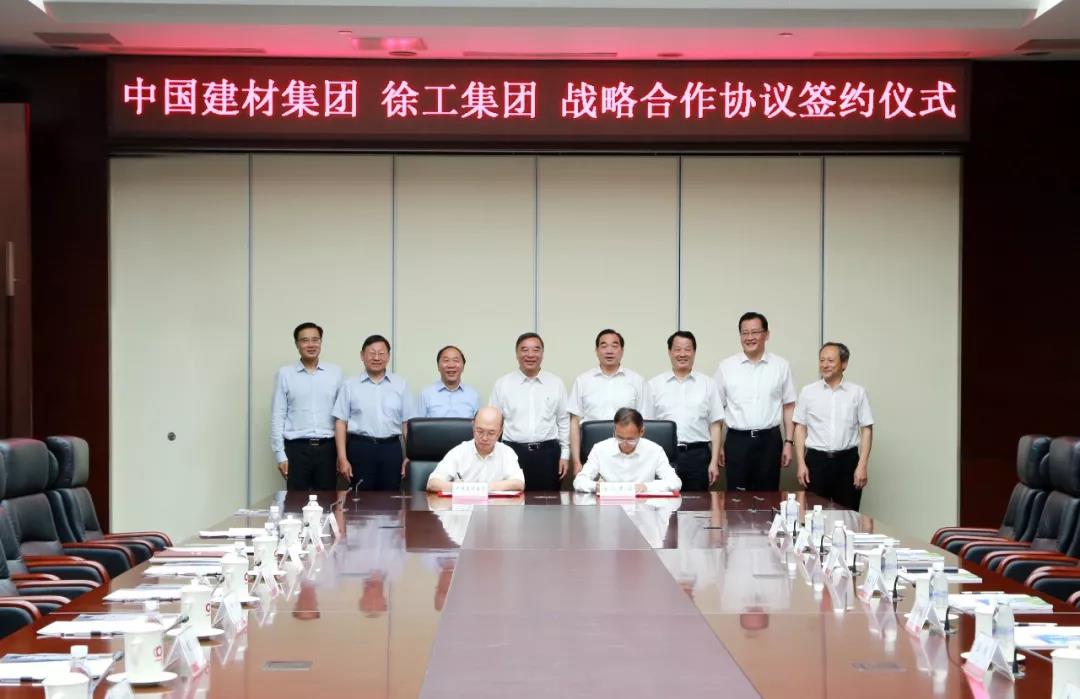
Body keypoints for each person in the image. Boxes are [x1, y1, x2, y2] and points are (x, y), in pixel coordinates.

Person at [714, 312, 797, 491]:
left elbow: (789, 406)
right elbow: (716, 410)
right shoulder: (726, 367)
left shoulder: (781, 366)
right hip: (736, 441)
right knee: (736, 499)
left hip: (769, 441)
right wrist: (718, 445)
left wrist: (788, 443)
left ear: (766, 335)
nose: (749, 337)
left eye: (755, 332)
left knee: (768, 497)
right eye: (745, 333)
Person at [794, 342, 875, 510]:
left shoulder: (857, 392)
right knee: (813, 515)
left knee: (848, 515)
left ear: (844, 364)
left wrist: (862, 465)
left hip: (847, 462)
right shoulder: (808, 392)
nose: (825, 365)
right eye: (821, 360)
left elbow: (866, 429)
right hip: (816, 462)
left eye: (830, 360)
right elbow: (800, 428)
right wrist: (801, 463)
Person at [332, 334, 415, 491]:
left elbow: (406, 423)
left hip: (391, 449)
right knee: (359, 497)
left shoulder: (401, 384)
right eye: (372, 353)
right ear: (362, 356)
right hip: (360, 448)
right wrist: (342, 458)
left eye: (381, 353)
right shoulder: (350, 385)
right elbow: (341, 423)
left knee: (391, 498)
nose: (376, 357)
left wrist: (410, 455)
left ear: (388, 357)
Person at [489, 332, 569, 491]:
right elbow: (493, 422)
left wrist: (565, 455)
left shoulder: (556, 383)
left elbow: (563, 421)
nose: (530, 355)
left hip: (548, 454)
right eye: (524, 350)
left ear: (542, 354)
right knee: (512, 502)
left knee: (548, 502)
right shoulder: (502, 384)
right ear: (516, 354)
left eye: (536, 350)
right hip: (512, 452)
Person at [646, 330, 724, 491]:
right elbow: (647, 427)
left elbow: (716, 425)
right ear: (669, 352)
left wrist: (714, 462)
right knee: (664, 503)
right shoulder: (654, 385)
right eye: (677, 349)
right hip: (664, 456)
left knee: (697, 504)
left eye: (687, 349)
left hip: (698, 455)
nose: (682, 354)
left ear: (694, 352)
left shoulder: (708, 384)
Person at [270, 322, 342, 491]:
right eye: (305, 340)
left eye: (315, 340)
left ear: (321, 342)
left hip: (328, 449)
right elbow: (278, 415)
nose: (311, 344)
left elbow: (342, 417)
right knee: (296, 502)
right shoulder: (285, 374)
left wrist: (342, 454)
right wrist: (280, 455)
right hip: (296, 449)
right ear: (297, 344)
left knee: (327, 501)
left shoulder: (335, 373)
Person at [568, 329, 650, 474]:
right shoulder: (582, 381)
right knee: (592, 488)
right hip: (592, 453)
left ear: (622, 350)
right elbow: (574, 423)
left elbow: (646, 422)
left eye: (614, 346)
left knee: (627, 488)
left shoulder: (637, 381)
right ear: (596, 350)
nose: (609, 351)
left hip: (629, 455)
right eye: (604, 346)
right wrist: (576, 461)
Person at [573, 408, 681, 494]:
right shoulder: (600, 449)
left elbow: (675, 482)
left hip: (643, 508)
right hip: (610, 508)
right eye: (620, 438)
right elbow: (579, 481)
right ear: (614, 430)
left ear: (641, 432)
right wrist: (596, 486)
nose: (624, 443)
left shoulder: (655, 450)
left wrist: (646, 487)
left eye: (631, 439)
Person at [426, 406, 526, 492]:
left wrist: (485, 488)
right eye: (480, 431)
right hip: (463, 507)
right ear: (473, 426)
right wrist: (465, 489)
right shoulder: (459, 452)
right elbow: (432, 483)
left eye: (491, 433)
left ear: (500, 432)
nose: (484, 438)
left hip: (495, 508)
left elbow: (519, 483)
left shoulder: (507, 453)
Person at [415, 345, 479, 418]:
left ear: (463, 366)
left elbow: (480, 423)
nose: (451, 365)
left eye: (456, 360)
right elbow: (416, 423)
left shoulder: (473, 395)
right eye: (446, 360)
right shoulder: (426, 394)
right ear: (438, 366)